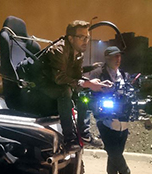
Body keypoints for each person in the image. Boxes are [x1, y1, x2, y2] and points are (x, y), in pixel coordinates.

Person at [37, 20, 110, 150]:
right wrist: (86, 83)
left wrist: (92, 83)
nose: (86, 41)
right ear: (70, 38)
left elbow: (76, 77)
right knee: (65, 91)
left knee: (84, 91)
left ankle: (84, 133)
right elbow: (59, 78)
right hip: (43, 85)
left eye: (87, 37)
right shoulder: (59, 50)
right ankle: (69, 138)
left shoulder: (78, 53)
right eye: (81, 37)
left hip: (58, 83)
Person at [90, 46, 133, 174]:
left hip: (123, 121)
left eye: (119, 56)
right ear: (107, 58)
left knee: (116, 152)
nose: (118, 59)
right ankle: (126, 173)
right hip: (105, 120)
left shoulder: (124, 76)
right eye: (115, 57)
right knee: (112, 150)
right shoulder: (97, 74)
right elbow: (89, 91)